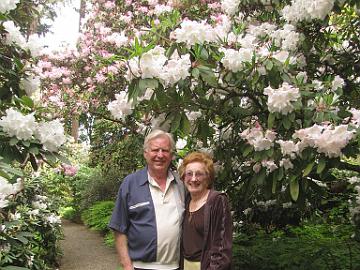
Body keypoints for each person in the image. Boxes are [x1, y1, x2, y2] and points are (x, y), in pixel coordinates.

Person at [109, 130, 185, 270]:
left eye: (165, 150)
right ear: (146, 153)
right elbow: (119, 228)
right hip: (140, 267)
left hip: (175, 266)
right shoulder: (130, 183)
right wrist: (126, 265)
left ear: (171, 155)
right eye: (155, 150)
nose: (160, 155)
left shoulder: (180, 184)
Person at [179, 151, 232, 270]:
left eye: (199, 174)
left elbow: (222, 247)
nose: (193, 179)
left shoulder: (217, 200)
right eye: (189, 174)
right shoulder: (185, 200)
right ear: (183, 177)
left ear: (208, 177)